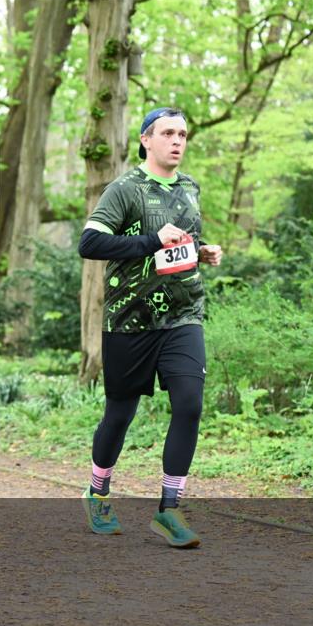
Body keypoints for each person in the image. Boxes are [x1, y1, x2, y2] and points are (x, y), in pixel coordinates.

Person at [77, 107, 223, 548]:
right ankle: (98, 491)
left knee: (190, 404)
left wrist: (202, 251)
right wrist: (149, 243)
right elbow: (90, 243)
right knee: (120, 414)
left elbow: (181, 243)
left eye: (183, 133)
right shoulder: (124, 190)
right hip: (130, 322)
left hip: (183, 315)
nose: (177, 141)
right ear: (146, 140)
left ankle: (169, 509)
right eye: (167, 133)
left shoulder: (190, 189)